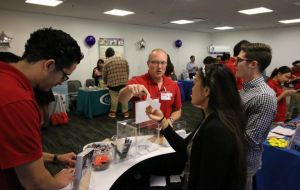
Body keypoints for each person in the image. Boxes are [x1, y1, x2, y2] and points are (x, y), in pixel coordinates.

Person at [0, 28, 83, 189]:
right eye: (64, 76)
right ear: (49, 65)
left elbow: (16, 152)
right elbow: (36, 183)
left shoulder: (6, 77)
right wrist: (56, 182)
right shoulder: (17, 101)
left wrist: (56, 158)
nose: (61, 82)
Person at [146, 64, 247, 190]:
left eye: (195, 83)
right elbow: (184, 147)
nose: (192, 88)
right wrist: (162, 120)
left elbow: (209, 183)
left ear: (206, 91)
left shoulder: (217, 130)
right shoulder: (210, 118)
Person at [236, 42, 277, 190]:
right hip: (233, 160)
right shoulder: (245, 90)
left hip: (242, 164)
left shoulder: (264, 97)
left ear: (253, 64)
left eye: (239, 60)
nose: (235, 64)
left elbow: (250, 140)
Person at [119, 48, 182, 122]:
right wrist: (128, 90)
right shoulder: (137, 81)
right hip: (143, 131)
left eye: (163, 63)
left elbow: (178, 110)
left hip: (165, 130)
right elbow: (122, 99)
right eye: (155, 62)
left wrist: (170, 120)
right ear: (148, 64)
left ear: (166, 65)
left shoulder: (172, 85)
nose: (159, 67)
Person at [102, 47, 129, 118]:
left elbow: (104, 74)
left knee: (114, 98)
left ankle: (113, 113)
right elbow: (127, 70)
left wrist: (105, 82)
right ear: (114, 53)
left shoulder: (107, 62)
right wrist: (126, 79)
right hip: (124, 82)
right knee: (124, 97)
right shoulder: (123, 59)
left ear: (106, 55)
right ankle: (126, 113)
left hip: (113, 84)